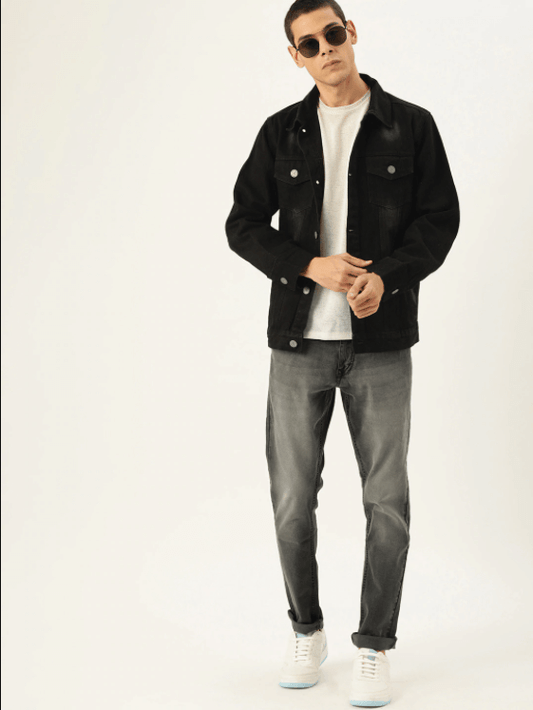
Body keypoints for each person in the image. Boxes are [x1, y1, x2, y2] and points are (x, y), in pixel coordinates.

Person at [225, 0, 460, 705]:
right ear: (295, 56)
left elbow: (438, 221)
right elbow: (242, 223)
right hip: (298, 345)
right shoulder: (281, 133)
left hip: (380, 345)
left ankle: (374, 645)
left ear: (351, 33)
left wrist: (386, 278)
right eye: (309, 43)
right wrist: (308, 265)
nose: (325, 49)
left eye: (333, 33)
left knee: (386, 500)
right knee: (292, 499)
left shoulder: (409, 125)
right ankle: (306, 629)